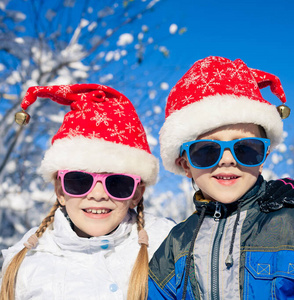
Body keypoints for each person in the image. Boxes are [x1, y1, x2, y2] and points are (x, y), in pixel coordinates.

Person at [147, 56, 294, 299]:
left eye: (246, 149)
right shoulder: (176, 247)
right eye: (207, 150)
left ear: (264, 156)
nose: (227, 160)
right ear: (185, 164)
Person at [0, 84, 175, 300]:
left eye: (118, 182)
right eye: (79, 181)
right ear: (60, 191)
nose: (98, 194)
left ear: (136, 194)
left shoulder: (167, 245)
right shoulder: (27, 263)